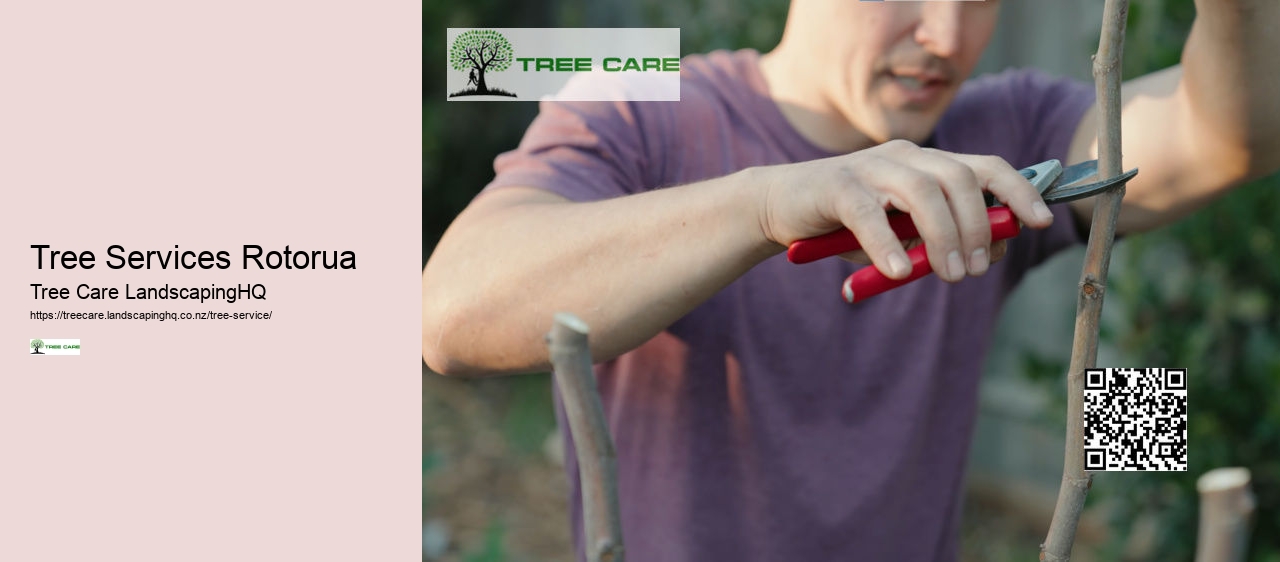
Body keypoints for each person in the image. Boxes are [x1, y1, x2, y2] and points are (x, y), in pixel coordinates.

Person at [423, 1, 1280, 560]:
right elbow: (452, 314)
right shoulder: (640, 103)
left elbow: (1224, 137)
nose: (946, 35)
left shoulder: (1004, 126)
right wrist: (764, 204)